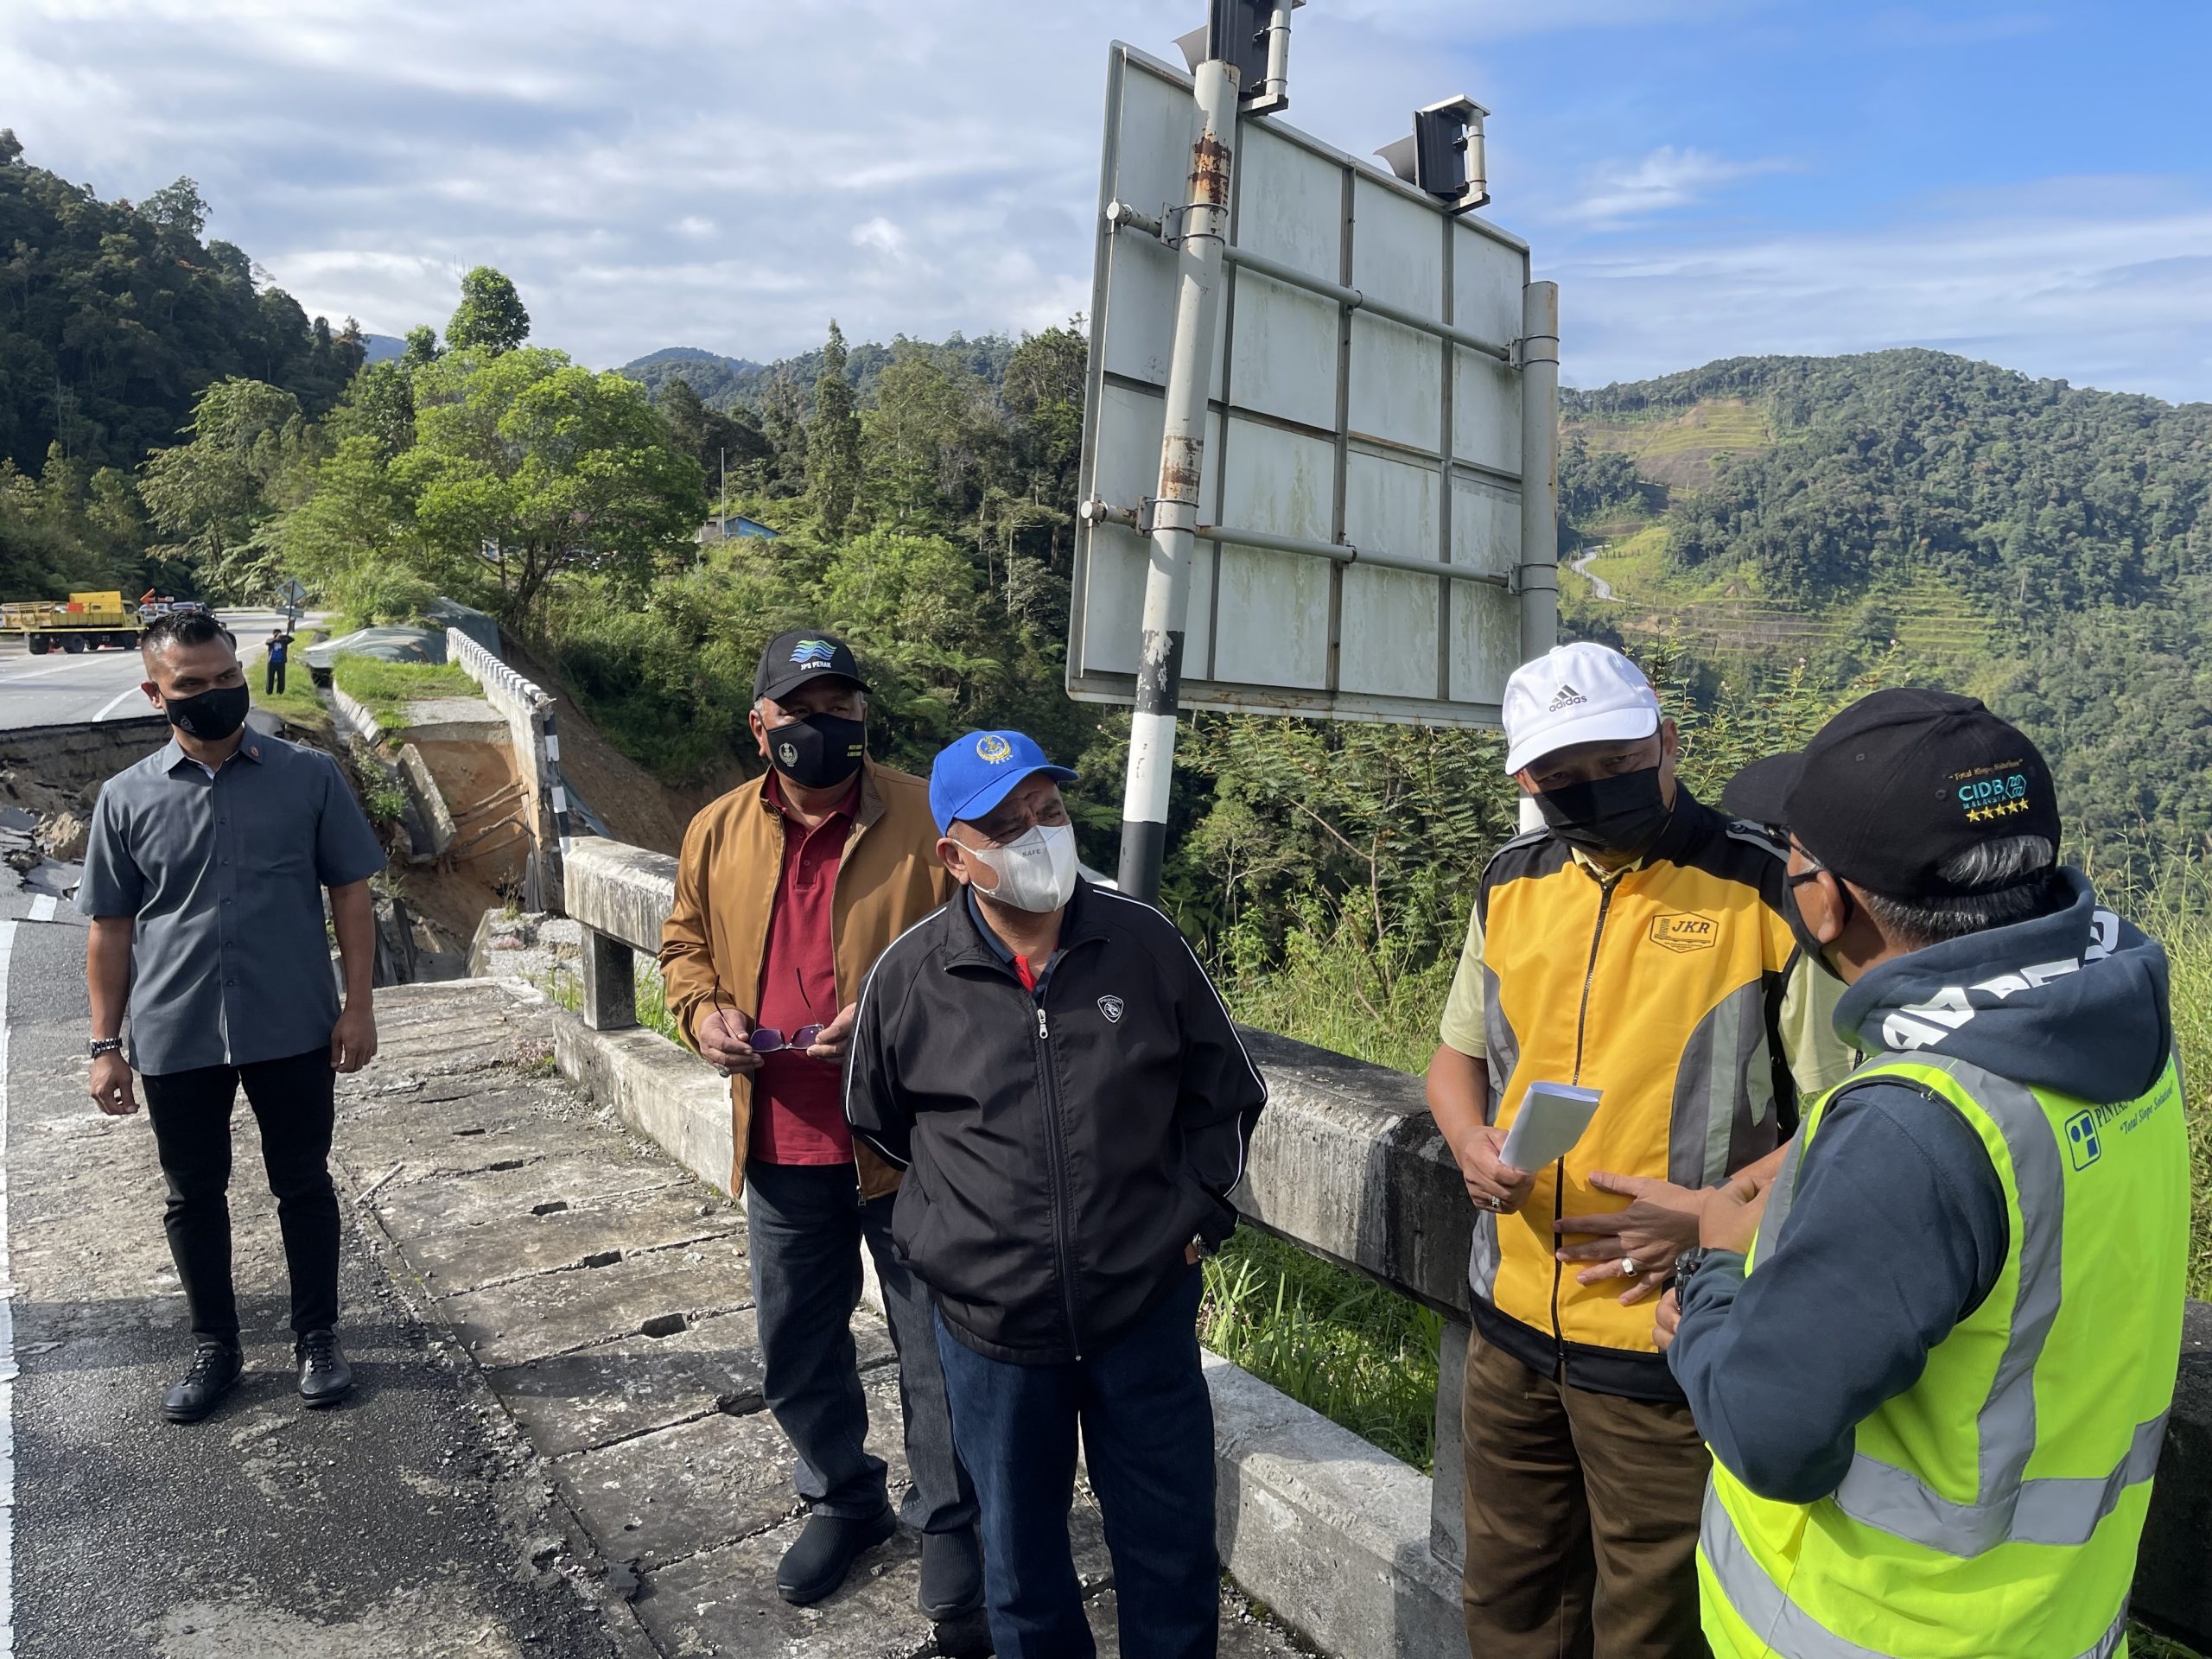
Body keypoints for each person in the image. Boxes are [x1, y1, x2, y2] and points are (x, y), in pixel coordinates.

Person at [1657, 689, 2188, 1659]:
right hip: (2058, 1620)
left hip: (1877, 1625)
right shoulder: (2116, 1030)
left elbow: (1768, 1432)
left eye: (1793, 858)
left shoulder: (1918, 1120)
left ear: (1825, 901)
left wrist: (1717, 1279)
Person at [1425, 640, 1857, 1659]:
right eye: (1560, 774)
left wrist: (1707, 1219)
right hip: (1510, 1320)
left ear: (1666, 741)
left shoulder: (1765, 888)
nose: (1591, 787)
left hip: (1668, 1337)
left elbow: (1848, 1113)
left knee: (1652, 1629)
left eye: (1614, 761)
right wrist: (1467, 1140)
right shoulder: (1509, 882)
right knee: (1507, 1605)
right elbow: (1454, 1058)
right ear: (1524, 780)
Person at [844, 729, 1268, 1659]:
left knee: (1171, 1555)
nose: (1039, 836)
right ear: (955, 856)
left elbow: (1225, 1095)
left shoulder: (1144, 943)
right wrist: (963, 1234)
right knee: (1022, 1571)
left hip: (1142, 1312)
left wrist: (1193, 1214)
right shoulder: (910, 977)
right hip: (991, 1333)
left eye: (1049, 811)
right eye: (1005, 826)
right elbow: (877, 1121)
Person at [657, 630, 981, 1617]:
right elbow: (684, 943)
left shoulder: (930, 817)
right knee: (794, 1344)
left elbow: (991, 948)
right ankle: (843, 1497)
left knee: (936, 1347)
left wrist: (888, 1026)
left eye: (842, 708)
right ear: (761, 725)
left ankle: (951, 1519)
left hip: (912, 1145)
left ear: (864, 717)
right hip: (781, 1138)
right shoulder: (716, 830)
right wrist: (701, 1013)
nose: (824, 726)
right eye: (802, 710)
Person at [79, 610, 386, 1422]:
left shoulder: (309, 777)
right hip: (175, 1030)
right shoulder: (125, 798)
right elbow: (110, 929)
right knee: (192, 1195)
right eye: (192, 683)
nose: (215, 693)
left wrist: (358, 1006)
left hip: (293, 1024)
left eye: (226, 677)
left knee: (303, 1183)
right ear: (156, 694)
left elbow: (350, 895)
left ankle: (318, 1338)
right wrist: (106, 1045)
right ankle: (215, 1346)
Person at [264, 626, 296, 696]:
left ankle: (280, 692)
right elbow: (267, 642)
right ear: (273, 634)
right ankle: (269, 692)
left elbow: (292, 639)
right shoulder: (271, 641)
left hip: (281, 662)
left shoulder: (284, 642)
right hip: (271, 662)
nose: (277, 635)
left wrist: (284, 636)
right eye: (276, 634)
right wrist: (276, 639)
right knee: (270, 678)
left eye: (278, 634)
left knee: (281, 678)